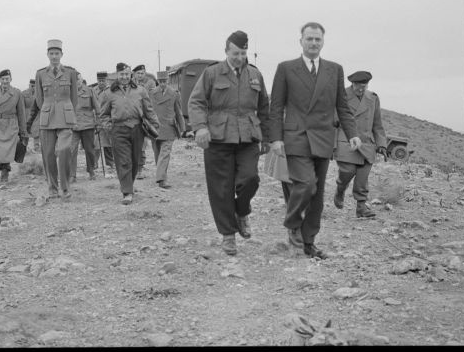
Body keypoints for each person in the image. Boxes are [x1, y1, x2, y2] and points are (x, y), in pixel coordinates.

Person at [269, 22, 362, 260]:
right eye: (309, 39)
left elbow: (342, 105)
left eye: (317, 40)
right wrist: (276, 138)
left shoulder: (335, 70)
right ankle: (292, 224)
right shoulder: (286, 68)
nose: (313, 43)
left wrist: (352, 133)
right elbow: (276, 106)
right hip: (295, 137)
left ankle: (308, 242)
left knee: (317, 196)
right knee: (306, 184)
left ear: (323, 42)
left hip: (323, 138)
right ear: (300, 41)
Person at [188, 30, 270, 256]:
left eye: (243, 53)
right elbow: (196, 102)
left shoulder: (255, 74)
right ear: (226, 51)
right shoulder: (212, 73)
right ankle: (228, 235)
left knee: (250, 179)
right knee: (221, 189)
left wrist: (268, 137)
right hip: (218, 138)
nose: (239, 58)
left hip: (248, 137)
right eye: (235, 53)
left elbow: (264, 107)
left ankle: (242, 211)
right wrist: (200, 127)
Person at [101, 62, 159, 205]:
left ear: (130, 75)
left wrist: (155, 124)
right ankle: (127, 192)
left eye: (127, 74)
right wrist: (110, 128)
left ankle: (129, 185)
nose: (125, 77)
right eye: (122, 74)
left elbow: (148, 109)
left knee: (134, 160)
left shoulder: (140, 91)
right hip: (118, 130)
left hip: (137, 129)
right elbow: (103, 115)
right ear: (117, 75)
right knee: (123, 161)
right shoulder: (109, 93)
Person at [333, 70, 387, 219]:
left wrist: (382, 144)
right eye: (358, 86)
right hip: (346, 140)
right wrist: (331, 143)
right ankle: (340, 188)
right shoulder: (341, 95)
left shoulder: (373, 98)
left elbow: (377, 123)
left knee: (362, 177)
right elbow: (333, 121)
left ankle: (361, 207)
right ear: (353, 84)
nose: (361, 89)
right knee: (348, 171)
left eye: (365, 86)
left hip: (367, 143)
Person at [30, 39, 78, 200]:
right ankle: (52, 188)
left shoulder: (70, 72)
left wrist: (69, 111)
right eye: (51, 53)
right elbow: (39, 98)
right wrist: (47, 109)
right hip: (48, 117)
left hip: (65, 117)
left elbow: (74, 98)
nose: (54, 56)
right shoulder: (41, 74)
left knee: (64, 150)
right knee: (48, 154)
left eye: (57, 53)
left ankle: (65, 188)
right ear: (47, 55)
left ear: (62, 54)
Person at [148, 71, 186, 189]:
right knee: (157, 154)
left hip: (169, 128)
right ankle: (161, 176)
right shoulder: (151, 93)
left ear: (168, 81)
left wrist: (182, 127)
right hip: (155, 128)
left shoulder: (174, 93)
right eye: (161, 82)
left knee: (165, 154)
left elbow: (178, 112)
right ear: (158, 82)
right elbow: (147, 110)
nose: (163, 84)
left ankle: (161, 179)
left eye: (165, 81)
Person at [70, 72, 100, 182]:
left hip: (88, 125)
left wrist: (99, 122)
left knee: (89, 150)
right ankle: (72, 175)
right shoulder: (68, 92)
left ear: (81, 80)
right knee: (71, 150)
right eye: (73, 81)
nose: (76, 82)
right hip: (73, 126)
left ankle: (91, 171)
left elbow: (97, 108)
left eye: (77, 80)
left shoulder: (89, 91)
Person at [132, 64, 156, 180]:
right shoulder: (129, 84)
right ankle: (133, 168)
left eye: (142, 73)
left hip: (144, 120)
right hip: (132, 117)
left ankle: (140, 169)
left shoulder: (150, 83)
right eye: (138, 73)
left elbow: (150, 101)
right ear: (134, 74)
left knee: (142, 145)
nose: (140, 75)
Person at [92, 71, 116, 176]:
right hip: (97, 121)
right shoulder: (93, 90)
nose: (101, 82)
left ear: (107, 80)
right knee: (96, 144)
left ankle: (110, 164)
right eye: (99, 80)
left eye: (103, 80)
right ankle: (94, 163)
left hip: (107, 120)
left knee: (108, 144)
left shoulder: (111, 91)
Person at [22, 79, 40, 152]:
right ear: (29, 85)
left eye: (34, 86)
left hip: (36, 115)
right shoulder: (23, 93)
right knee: (25, 132)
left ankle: (36, 147)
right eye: (31, 86)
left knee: (36, 131)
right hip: (26, 114)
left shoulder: (39, 94)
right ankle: (24, 148)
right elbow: (21, 106)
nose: (33, 87)